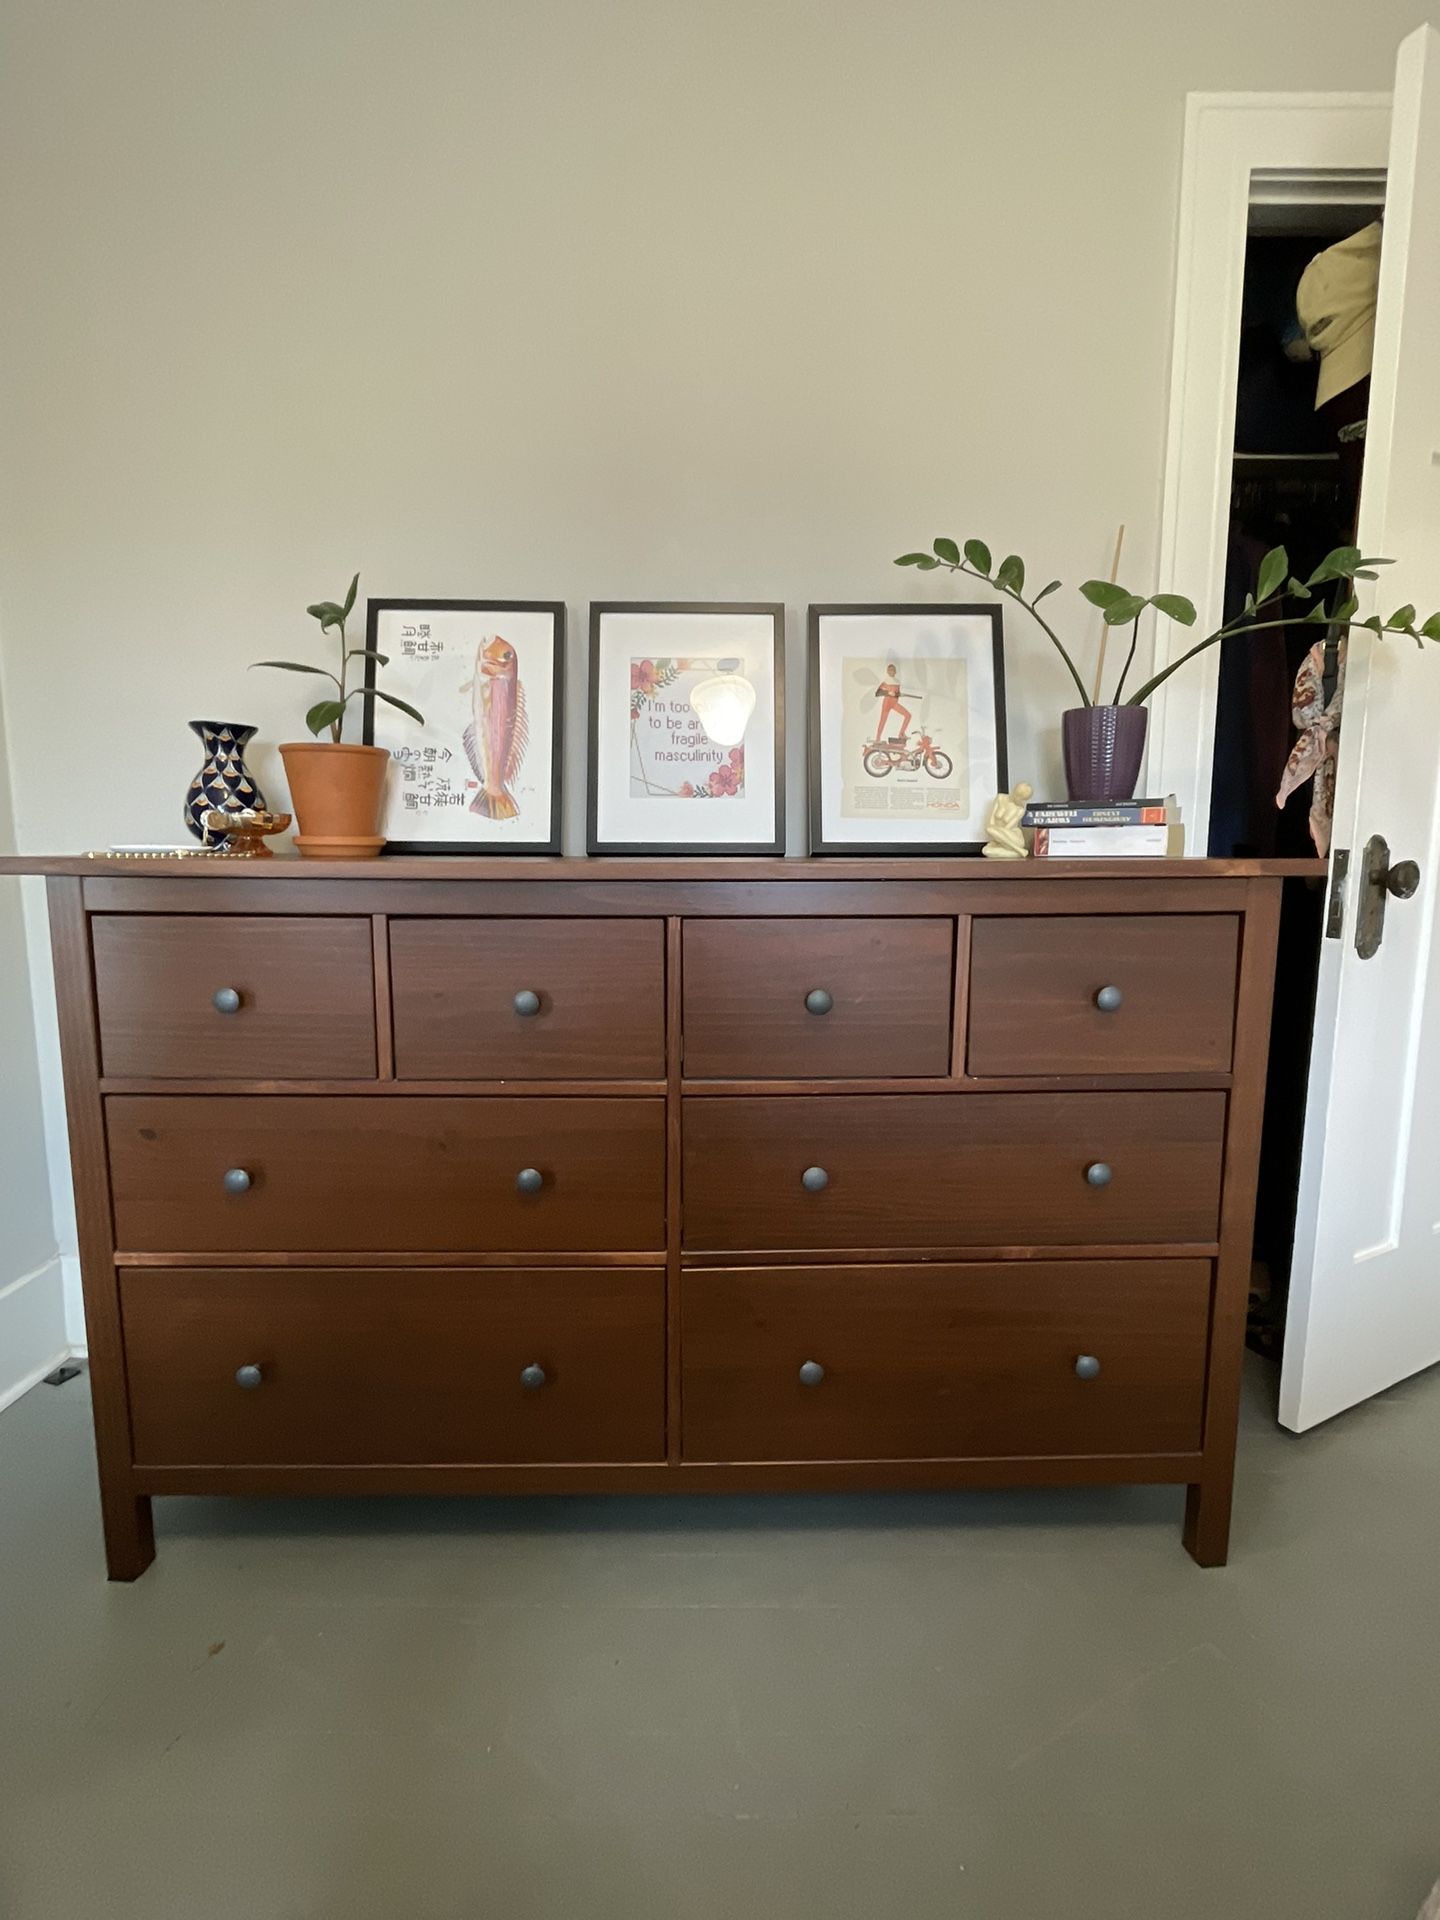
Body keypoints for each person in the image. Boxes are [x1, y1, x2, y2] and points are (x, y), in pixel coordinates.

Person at [874, 664, 912, 743]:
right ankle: (877, 738)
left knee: (908, 715)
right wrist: (888, 692)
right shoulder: (886, 681)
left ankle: (901, 734)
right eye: (890, 670)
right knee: (882, 721)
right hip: (887, 703)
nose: (892, 671)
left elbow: (896, 694)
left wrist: (899, 694)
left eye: (893, 670)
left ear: (895, 672)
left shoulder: (897, 682)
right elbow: (877, 693)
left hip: (894, 703)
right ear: (887, 671)